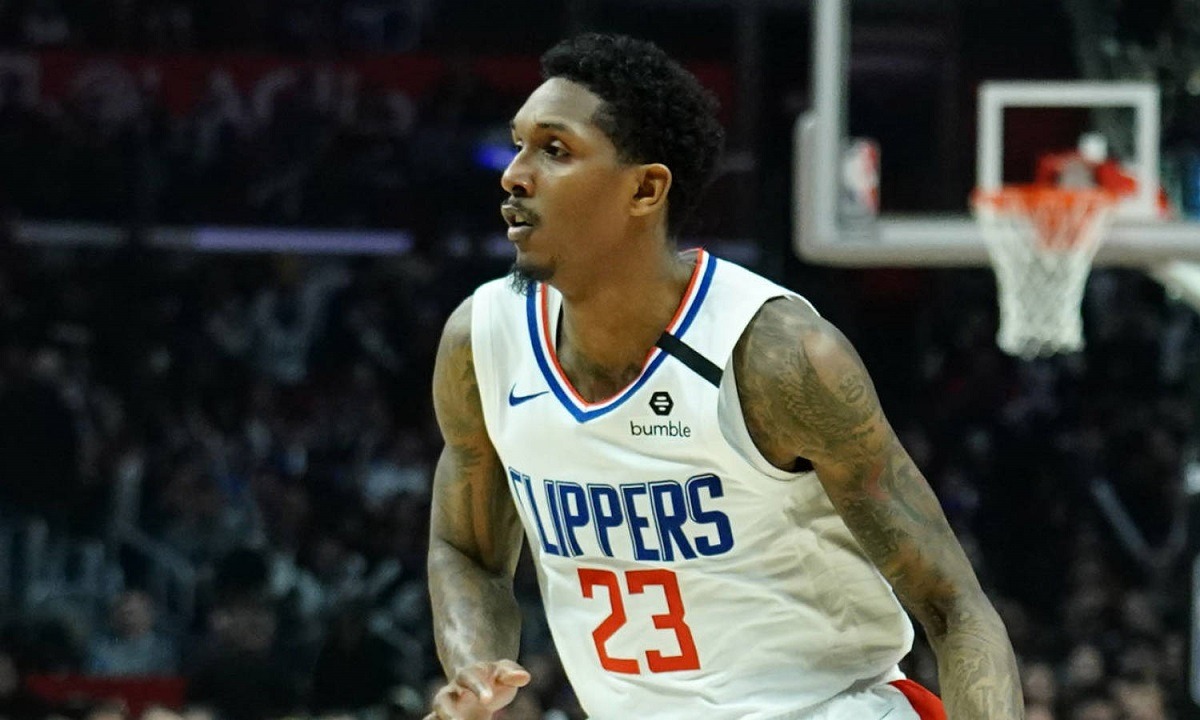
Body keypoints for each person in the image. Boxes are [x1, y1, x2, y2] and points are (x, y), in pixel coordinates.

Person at [425, 33, 1023, 720]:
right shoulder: (484, 342)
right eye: (519, 145)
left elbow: (953, 606)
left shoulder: (776, 356)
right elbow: (465, 548)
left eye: (554, 150)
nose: (514, 173)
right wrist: (474, 670)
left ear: (645, 189)